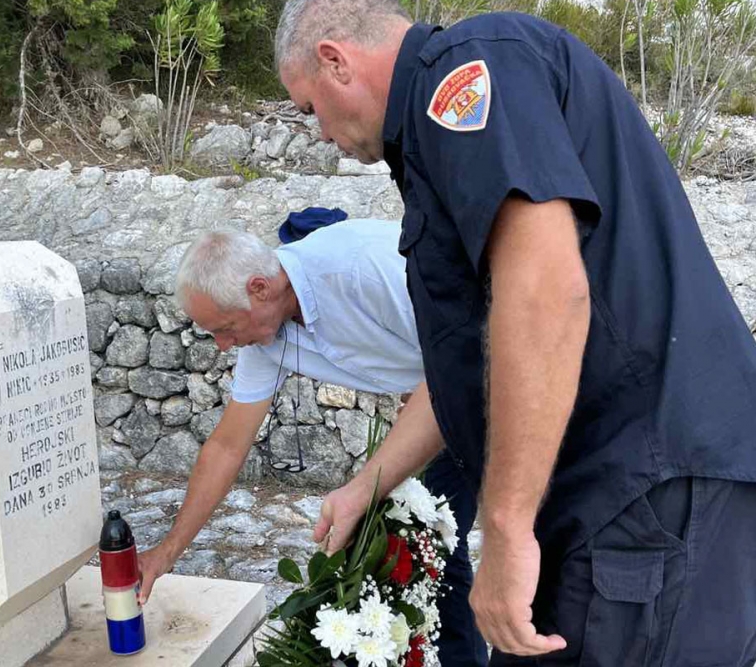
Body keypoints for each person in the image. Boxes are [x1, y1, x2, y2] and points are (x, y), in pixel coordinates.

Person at [275, 1, 756, 665]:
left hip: (647, 491)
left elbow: (547, 293)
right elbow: (474, 366)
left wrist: (504, 527)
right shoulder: (431, 136)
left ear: (334, 61)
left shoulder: (469, 70)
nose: (319, 133)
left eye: (308, 110)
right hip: (609, 499)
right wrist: (367, 485)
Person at [137, 221, 489, 666]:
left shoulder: (360, 268)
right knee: (427, 545)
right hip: (445, 398)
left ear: (260, 288)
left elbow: (462, 360)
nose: (224, 346)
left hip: (508, 377)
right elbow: (228, 445)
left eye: (224, 328)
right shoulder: (265, 337)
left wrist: (361, 490)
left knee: (507, 546)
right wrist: (168, 551)